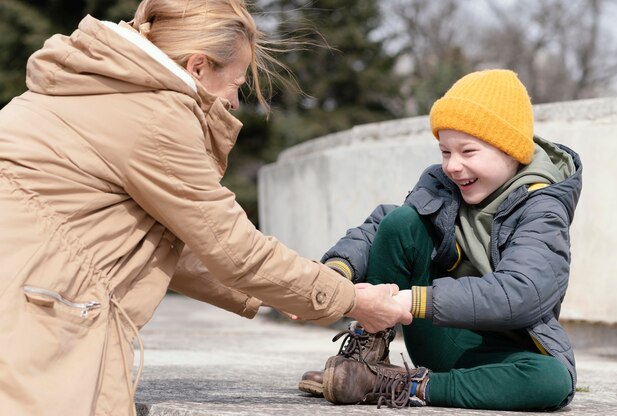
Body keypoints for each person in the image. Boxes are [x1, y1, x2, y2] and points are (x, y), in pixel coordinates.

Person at [0, 1, 412, 415]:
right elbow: (233, 248)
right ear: (198, 67)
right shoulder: (154, 114)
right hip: (31, 320)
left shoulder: (103, 86)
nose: (233, 103)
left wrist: (285, 293)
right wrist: (352, 301)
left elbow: (171, 241)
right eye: (235, 83)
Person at [299, 69, 582, 411]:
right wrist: (335, 271)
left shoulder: (542, 209)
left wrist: (412, 301)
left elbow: (524, 292)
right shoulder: (443, 186)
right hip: (442, 335)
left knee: (552, 380)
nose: (452, 165)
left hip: (502, 354)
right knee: (402, 221)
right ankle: (365, 358)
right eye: (445, 152)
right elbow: (382, 227)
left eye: (468, 151)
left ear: (510, 151)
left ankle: (398, 383)